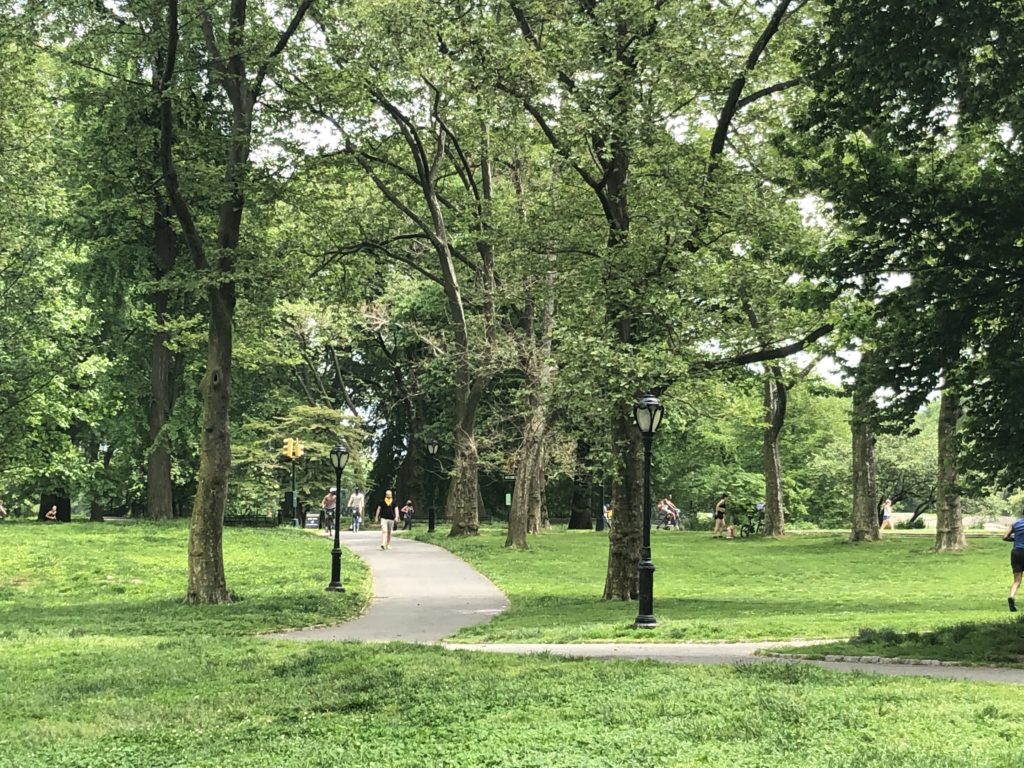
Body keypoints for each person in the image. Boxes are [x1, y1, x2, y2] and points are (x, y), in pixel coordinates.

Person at [1002, 511, 1024, 612]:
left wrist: (1015, 539)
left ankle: (1011, 596)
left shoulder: (1015, 524)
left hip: (1016, 552)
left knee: (1017, 580)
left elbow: (1005, 537)